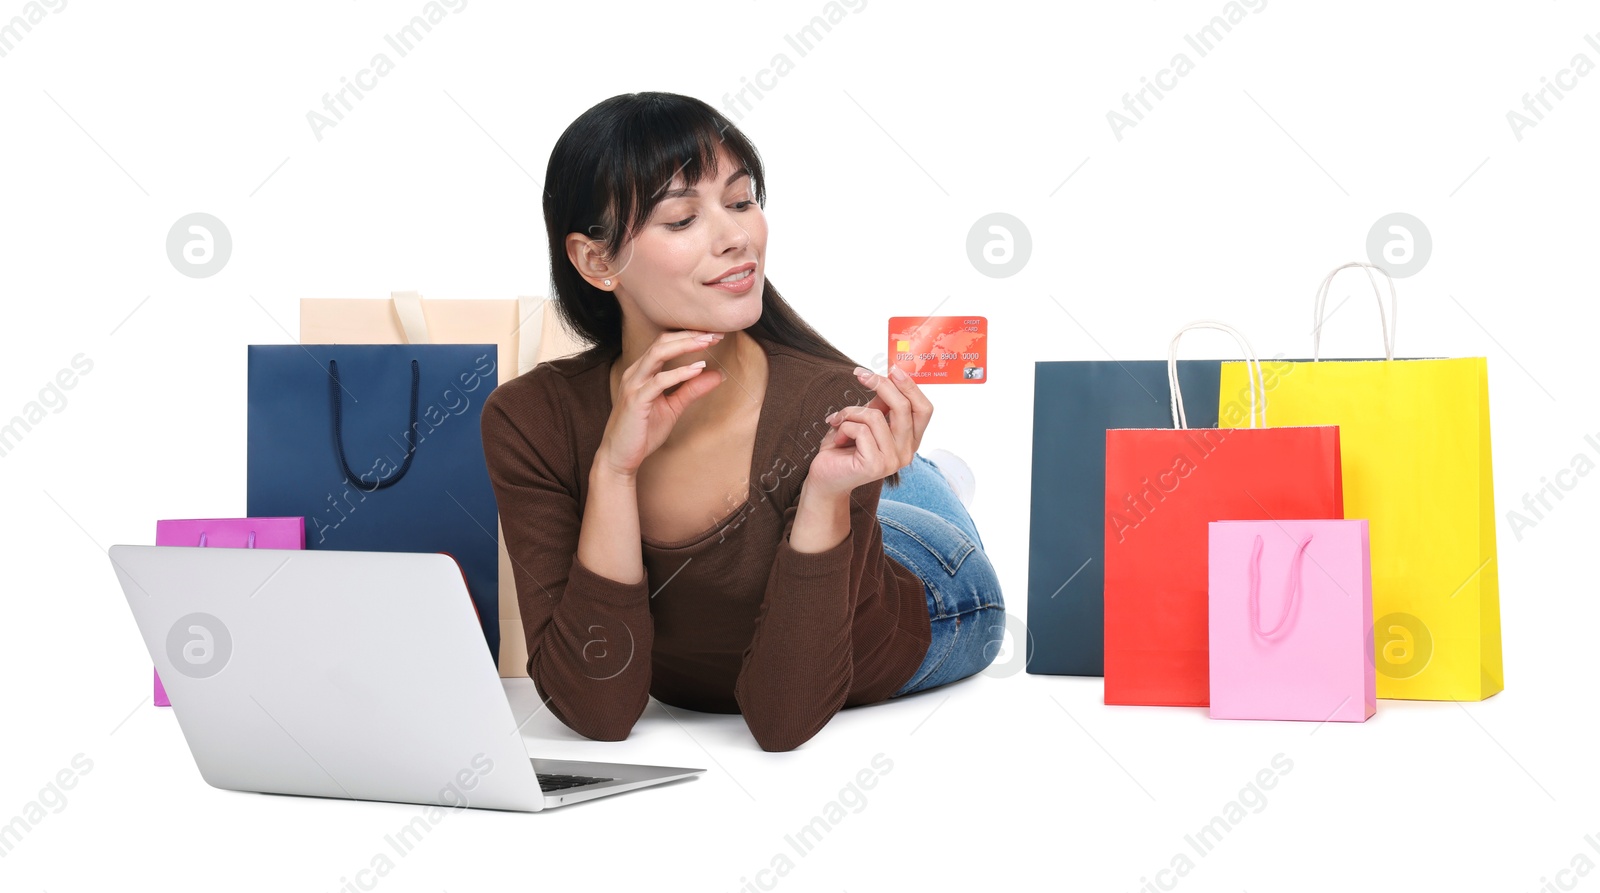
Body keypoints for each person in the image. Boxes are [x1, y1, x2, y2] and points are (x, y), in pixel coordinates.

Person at [479, 91, 1004, 752]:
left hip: (933, 591)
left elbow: (781, 719)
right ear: (596, 260)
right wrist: (615, 467)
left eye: (740, 200)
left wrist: (824, 496)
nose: (736, 237)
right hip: (825, 515)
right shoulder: (530, 420)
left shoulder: (829, 403)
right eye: (681, 219)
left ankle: (926, 480)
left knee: (882, 477)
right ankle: (919, 476)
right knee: (885, 473)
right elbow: (598, 707)